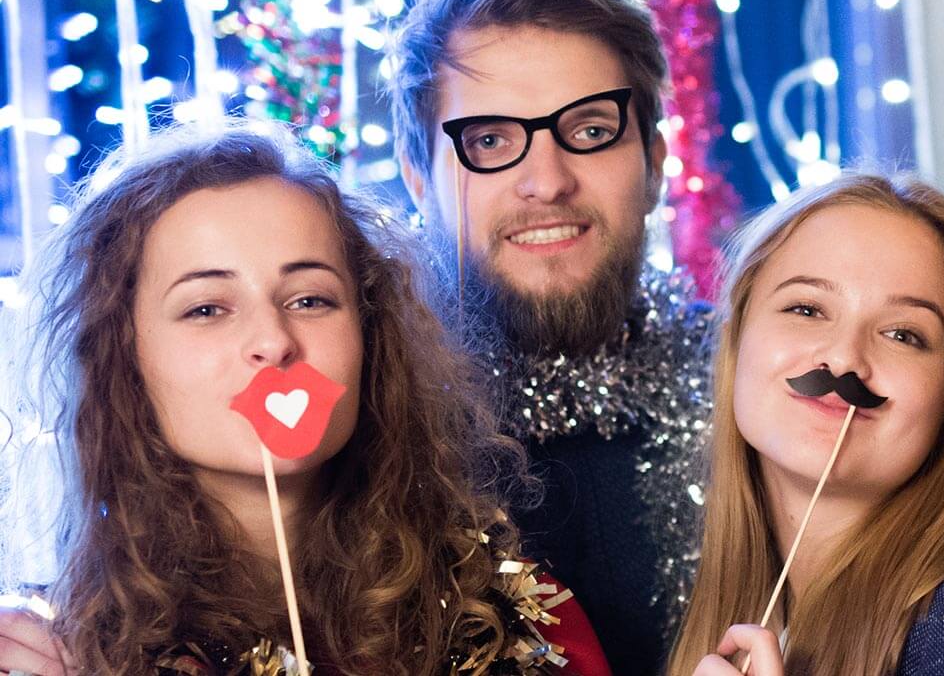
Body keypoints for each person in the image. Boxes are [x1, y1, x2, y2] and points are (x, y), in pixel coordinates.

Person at [0, 122, 610, 675]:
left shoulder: (520, 624)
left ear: (371, 335)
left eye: (310, 299)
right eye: (206, 308)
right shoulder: (58, 658)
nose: (272, 340)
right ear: (123, 359)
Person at [389, 0, 712, 676]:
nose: (548, 181)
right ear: (417, 176)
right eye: (492, 141)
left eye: (591, 131)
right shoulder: (362, 435)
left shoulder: (755, 400)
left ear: (655, 164)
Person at [667, 173, 944, 676]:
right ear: (736, 344)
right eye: (807, 308)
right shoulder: (698, 598)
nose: (844, 359)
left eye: (903, 335)